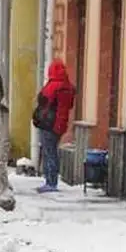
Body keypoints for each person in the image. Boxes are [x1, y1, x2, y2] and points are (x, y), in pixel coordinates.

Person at [32, 59, 76, 193]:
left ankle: (51, 182)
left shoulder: (55, 86)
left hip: (48, 124)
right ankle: (51, 181)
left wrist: (55, 124)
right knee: (51, 151)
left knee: (49, 152)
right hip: (55, 124)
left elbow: (48, 105)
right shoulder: (67, 86)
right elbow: (66, 108)